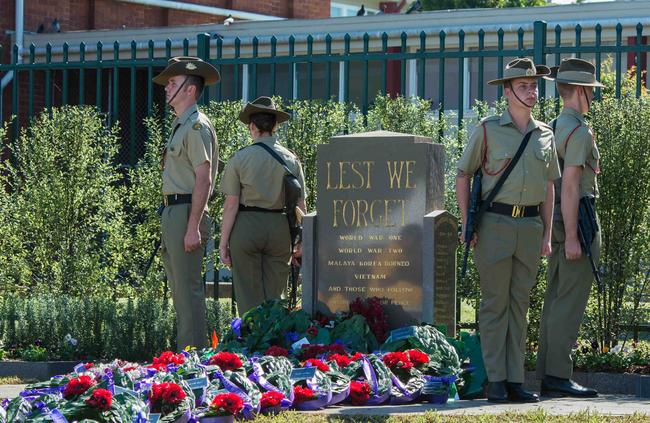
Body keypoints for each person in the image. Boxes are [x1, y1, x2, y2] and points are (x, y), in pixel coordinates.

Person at [456, 58, 560, 403]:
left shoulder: (544, 133)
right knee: (495, 304)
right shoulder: (487, 129)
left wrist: (545, 233)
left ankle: (516, 380)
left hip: (530, 226)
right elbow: (463, 174)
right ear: (508, 90)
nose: (532, 92)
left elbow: (549, 186)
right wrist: (468, 223)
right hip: (495, 225)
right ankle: (496, 380)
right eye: (524, 86)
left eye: (534, 86)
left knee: (520, 305)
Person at [536, 58, 603, 398]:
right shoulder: (578, 130)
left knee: (556, 297)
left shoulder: (554, 126)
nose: (593, 96)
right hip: (579, 217)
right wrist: (576, 236)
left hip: (561, 220)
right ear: (579, 91)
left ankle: (548, 371)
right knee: (570, 301)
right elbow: (573, 185)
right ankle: (559, 375)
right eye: (591, 90)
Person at [153, 56, 220, 350]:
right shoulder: (181, 125)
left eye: (173, 83)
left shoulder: (196, 126)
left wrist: (193, 226)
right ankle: (186, 354)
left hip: (185, 213)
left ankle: (192, 360)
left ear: (190, 90)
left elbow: (203, 179)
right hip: (174, 211)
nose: (167, 88)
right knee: (179, 290)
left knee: (188, 290)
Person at [219, 96, 307, 315]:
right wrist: (300, 242)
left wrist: (223, 244)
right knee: (277, 295)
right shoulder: (291, 159)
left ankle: (250, 340)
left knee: (248, 295)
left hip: (246, 226)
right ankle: (274, 342)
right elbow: (300, 204)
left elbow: (231, 205)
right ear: (275, 126)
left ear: (252, 126)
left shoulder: (240, 158)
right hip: (279, 228)